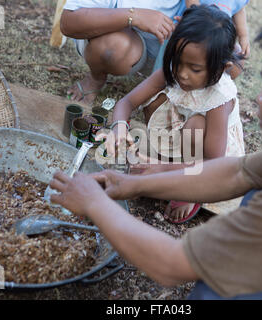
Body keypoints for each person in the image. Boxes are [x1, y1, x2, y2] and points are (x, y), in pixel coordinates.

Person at [50, 0, 262, 299]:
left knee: (212, 291)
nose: (259, 99)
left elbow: (172, 265)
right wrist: (136, 182)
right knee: (254, 191)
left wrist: (94, 203)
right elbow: (237, 170)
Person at [102, 5, 245, 223]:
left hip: (211, 159)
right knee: (158, 101)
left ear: (221, 68)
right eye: (178, 62)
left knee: (196, 123)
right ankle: (168, 164)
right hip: (183, 135)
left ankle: (190, 190)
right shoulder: (174, 70)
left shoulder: (219, 99)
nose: (182, 74)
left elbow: (212, 164)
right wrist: (119, 127)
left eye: (195, 69)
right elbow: (127, 102)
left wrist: (161, 168)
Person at [60, 0, 182, 105]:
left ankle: (171, 89)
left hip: (169, 54)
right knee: (112, 48)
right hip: (116, 39)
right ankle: (96, 78)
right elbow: (68, 22)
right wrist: (134, 15)